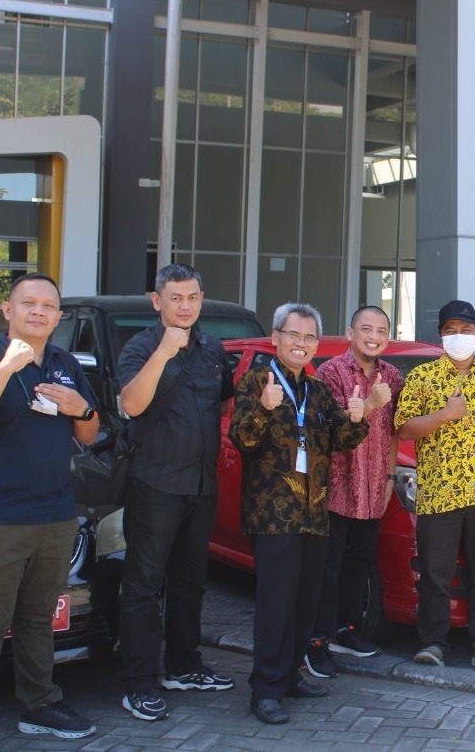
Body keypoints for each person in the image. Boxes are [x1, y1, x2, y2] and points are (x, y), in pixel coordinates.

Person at [0, 273, 99, 751]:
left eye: (48, 305)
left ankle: (40, 704)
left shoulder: (65, 362)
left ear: (57, 316)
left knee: (37, 618)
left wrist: (82, 409)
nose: (38, 311)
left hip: (54, 514)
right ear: (7, 311)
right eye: (27, 303)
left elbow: (89, 436)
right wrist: (7, 368)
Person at [230, 303, 369, 725]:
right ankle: (265, 689)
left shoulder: (317, 389)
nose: (301, 344)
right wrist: (265, 407)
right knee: (276, 603)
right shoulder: (257, 381)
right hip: (273, 515)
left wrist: (361, 416)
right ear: (276, 337)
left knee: (305, 603)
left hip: (313, 512)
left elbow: (339, 439)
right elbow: (241, 438)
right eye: (294, 335)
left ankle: (289, 676)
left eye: (310, 338)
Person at [117, 263, 236, 722]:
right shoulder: (141, 347)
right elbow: (131, 405)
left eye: (192, 298)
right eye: (175, 298)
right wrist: (164, 353)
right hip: (155, 484)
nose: (185, 306)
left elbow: (222, 400)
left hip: (201, 486)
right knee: (144, 588)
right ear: (157, 301)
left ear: (200, 300)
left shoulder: (212, 348)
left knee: (191, 584)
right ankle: (139, 683)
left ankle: (183, 666)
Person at [395, 300, 475, 670]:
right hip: (437, 494)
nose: (459, 337)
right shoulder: (422, 378)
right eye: (451, 330)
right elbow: (403, 428)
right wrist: (444, 416)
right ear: (440, 335)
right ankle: (433, 642)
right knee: (435, 574)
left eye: (466, 331)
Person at [309, 305, 404, 676]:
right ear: (351, 332)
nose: (374, 336)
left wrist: (390, 478)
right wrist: (368, 405)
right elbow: (327, 429)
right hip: (336, 485)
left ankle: (347, 630)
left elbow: (396, 432)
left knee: (359, 562)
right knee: (326, 567)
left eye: (382, 330)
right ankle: (317, 640)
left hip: (375, 485)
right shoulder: (329, 372)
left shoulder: (394, 376)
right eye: (366, 328)